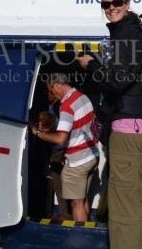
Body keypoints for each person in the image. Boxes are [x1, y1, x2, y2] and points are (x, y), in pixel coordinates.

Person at [76, 0, 142, 249]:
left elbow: (116, 82)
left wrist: (92, 65)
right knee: (138, 198)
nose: (111, 7)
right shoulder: (130, 34)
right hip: (135, 124)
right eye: (106, 5)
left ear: (127, 3)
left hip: (126, 126)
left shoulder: (129, 35)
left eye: (116, 2)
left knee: (123, 205)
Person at [32, 73, 99, 222]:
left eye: (51, 90)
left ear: (57, 85)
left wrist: (38, 133)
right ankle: (86, 233)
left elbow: (60, 139)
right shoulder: (83, 97)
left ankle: (80, 238)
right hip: (91, 156)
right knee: (83, 201)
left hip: (78, 161)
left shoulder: (67, 106)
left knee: (76, 204)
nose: (52, 94)